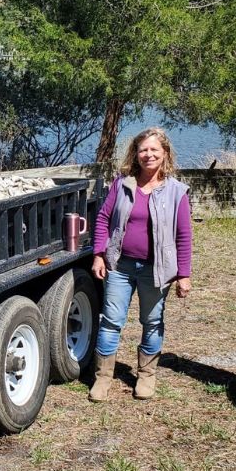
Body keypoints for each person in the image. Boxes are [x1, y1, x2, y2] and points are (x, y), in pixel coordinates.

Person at [88, 127, 192, 402]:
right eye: (143, 150)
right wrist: (99, 254)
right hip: (120, 267)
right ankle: (103, 377)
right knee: (111, 321)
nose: (148, 155)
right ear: (136, 154)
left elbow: (184, 236)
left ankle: (146, 376)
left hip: (156, 271)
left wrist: (184, 274)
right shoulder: (122, 185)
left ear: (165, 154)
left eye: (154, 150)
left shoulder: (177, 192)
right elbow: (102, 219)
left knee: (152, 320)